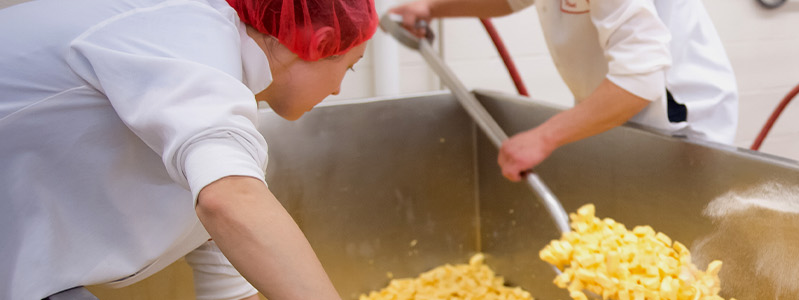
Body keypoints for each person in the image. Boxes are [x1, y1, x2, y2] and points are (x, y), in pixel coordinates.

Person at [0, 0, 377, 298]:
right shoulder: (191, 44)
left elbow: (229, 270)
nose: (338, 90)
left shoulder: (212, 93)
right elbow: (229, 201)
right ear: (319, 42)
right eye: (350, 66)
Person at [386, 0, 739, 182]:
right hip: (615, 111)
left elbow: (639, 80)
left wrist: (542, 138)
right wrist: (433, 7)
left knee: (669, 258)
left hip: (679, 122)